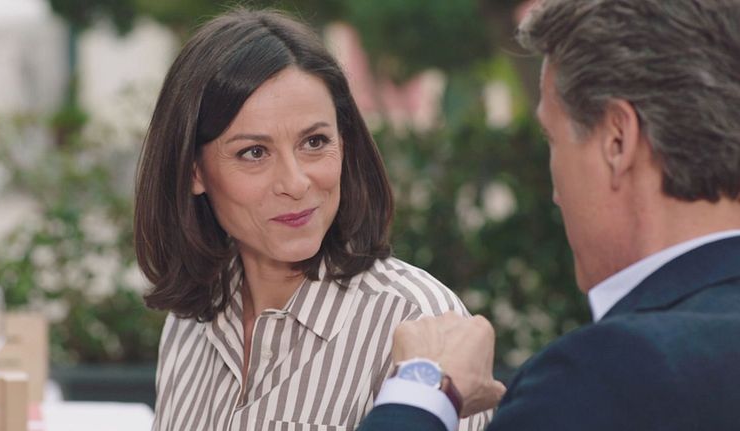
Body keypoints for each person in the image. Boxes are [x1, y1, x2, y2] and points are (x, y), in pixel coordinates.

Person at [358, 0, 740, 430]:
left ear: (617, 141)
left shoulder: (611, 374)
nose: (556, 193)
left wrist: (422, 386)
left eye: (553, 140)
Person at [133, 9, 488, 431]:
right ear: (194, 171)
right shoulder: (189, 323)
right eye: (254, 152)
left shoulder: (419, 324)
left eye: (315, 142)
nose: (296, 182)